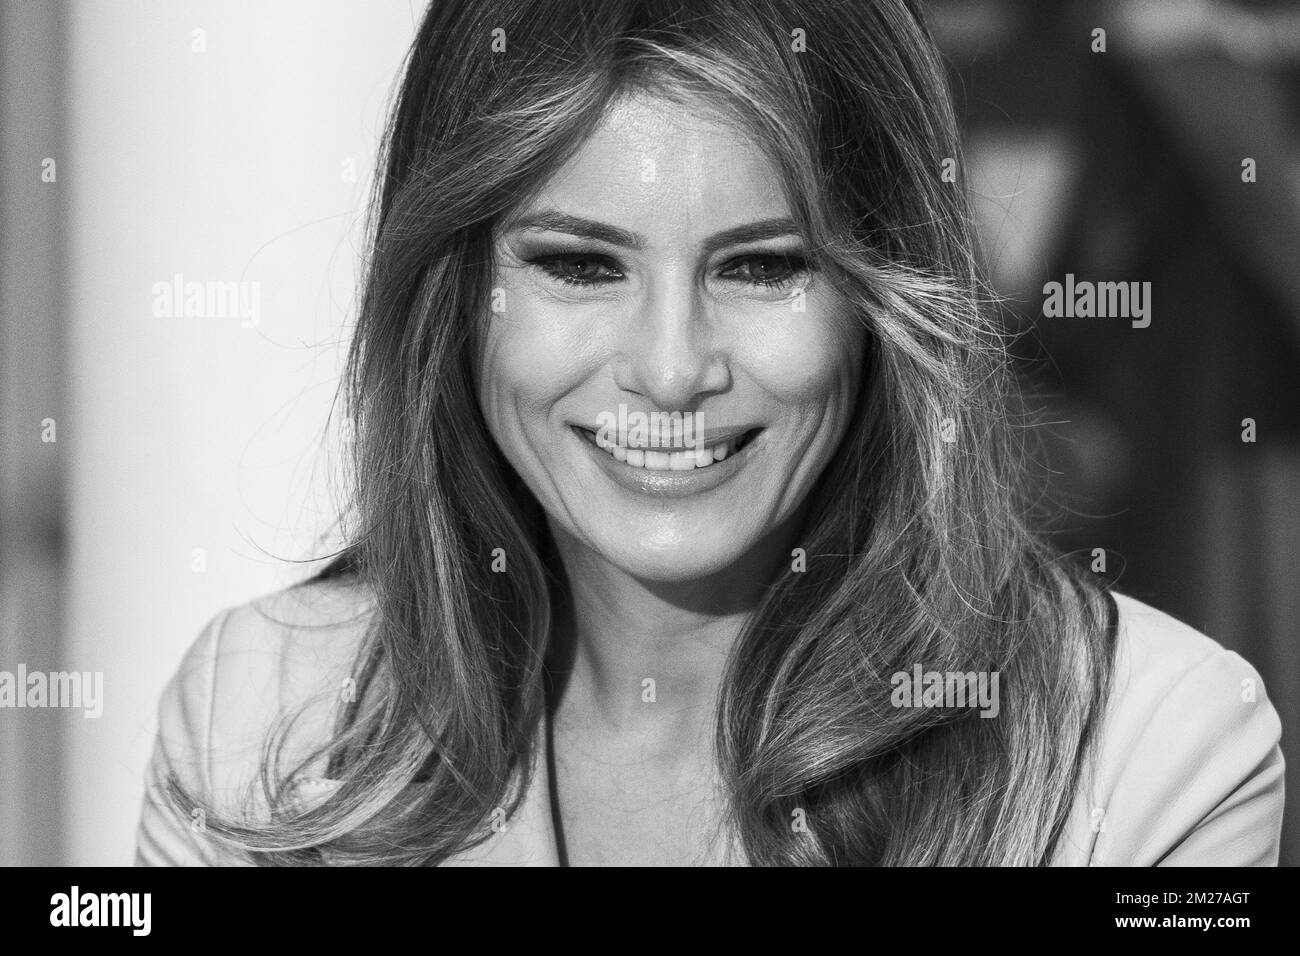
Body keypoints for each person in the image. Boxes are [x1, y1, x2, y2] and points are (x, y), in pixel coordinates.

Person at [135, 0, 1284, 866]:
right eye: (579, 263)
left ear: (885, 297)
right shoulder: (258, 715)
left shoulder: (1155, 748)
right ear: (451, 296)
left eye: (764, 266)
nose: (672, 367)